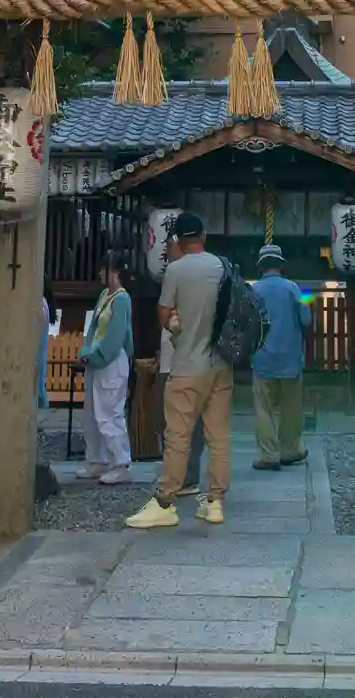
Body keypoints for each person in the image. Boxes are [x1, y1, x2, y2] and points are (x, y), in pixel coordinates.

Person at [125, 212, 230, 527]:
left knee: (178, 436)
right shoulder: (222, 266)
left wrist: (176, 323)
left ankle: (165, 502)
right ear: (204, 236)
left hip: (186, 366)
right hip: (220, 364)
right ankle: (215, 502)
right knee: (218, 436)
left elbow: (163, 314)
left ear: (178, 241)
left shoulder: (176, 270)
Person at [248, 244, 311, 469]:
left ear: (260, 266)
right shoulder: (293, 288)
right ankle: (290, 450)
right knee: (291, 408)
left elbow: (246, 324)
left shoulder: (252, 290)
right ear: (281, 265)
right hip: (290, 358)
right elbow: (306, 319)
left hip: (262, 358)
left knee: (263, 408)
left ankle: (269, 455)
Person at [78, 259, 133, 484]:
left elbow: (116, 336)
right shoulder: (104, 295)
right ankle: (97, 461)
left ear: (116, 272)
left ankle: (121, 463)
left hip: (111, 361)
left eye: (105, 269)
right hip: (96, 359)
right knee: (91, 414)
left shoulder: (122, 298)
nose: (101, 273)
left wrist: (95, 355)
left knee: (110, 412)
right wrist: (86, 350)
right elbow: (93, 327)